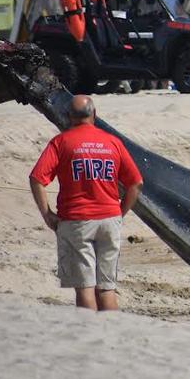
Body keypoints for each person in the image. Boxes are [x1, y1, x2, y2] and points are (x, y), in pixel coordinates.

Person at [28, 95, 143, 311]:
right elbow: (135, 183)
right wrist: (119, 212)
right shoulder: (112, 142)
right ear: (94, 115)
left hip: (76, 222)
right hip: (109, 221)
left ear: (69, 116)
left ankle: (90, 336)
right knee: (106, 288)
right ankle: (114, 336)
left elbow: (36, 178)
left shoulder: (62, 142)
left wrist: (47, 214)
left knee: (85, 288)